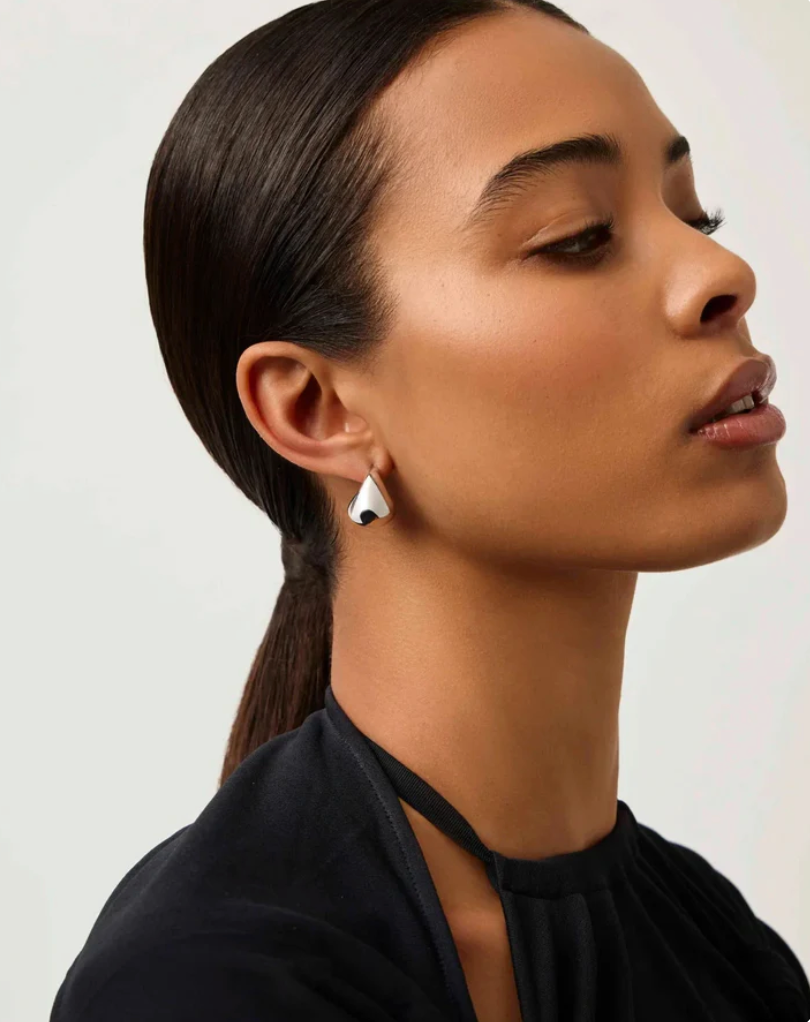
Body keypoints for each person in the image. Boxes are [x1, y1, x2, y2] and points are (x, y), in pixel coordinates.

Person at [50, 1, 808, 1020]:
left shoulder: (723, 948)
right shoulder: (207, 982)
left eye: (694, 214)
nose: (724, 272)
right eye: (579, 237)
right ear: (317, 409)